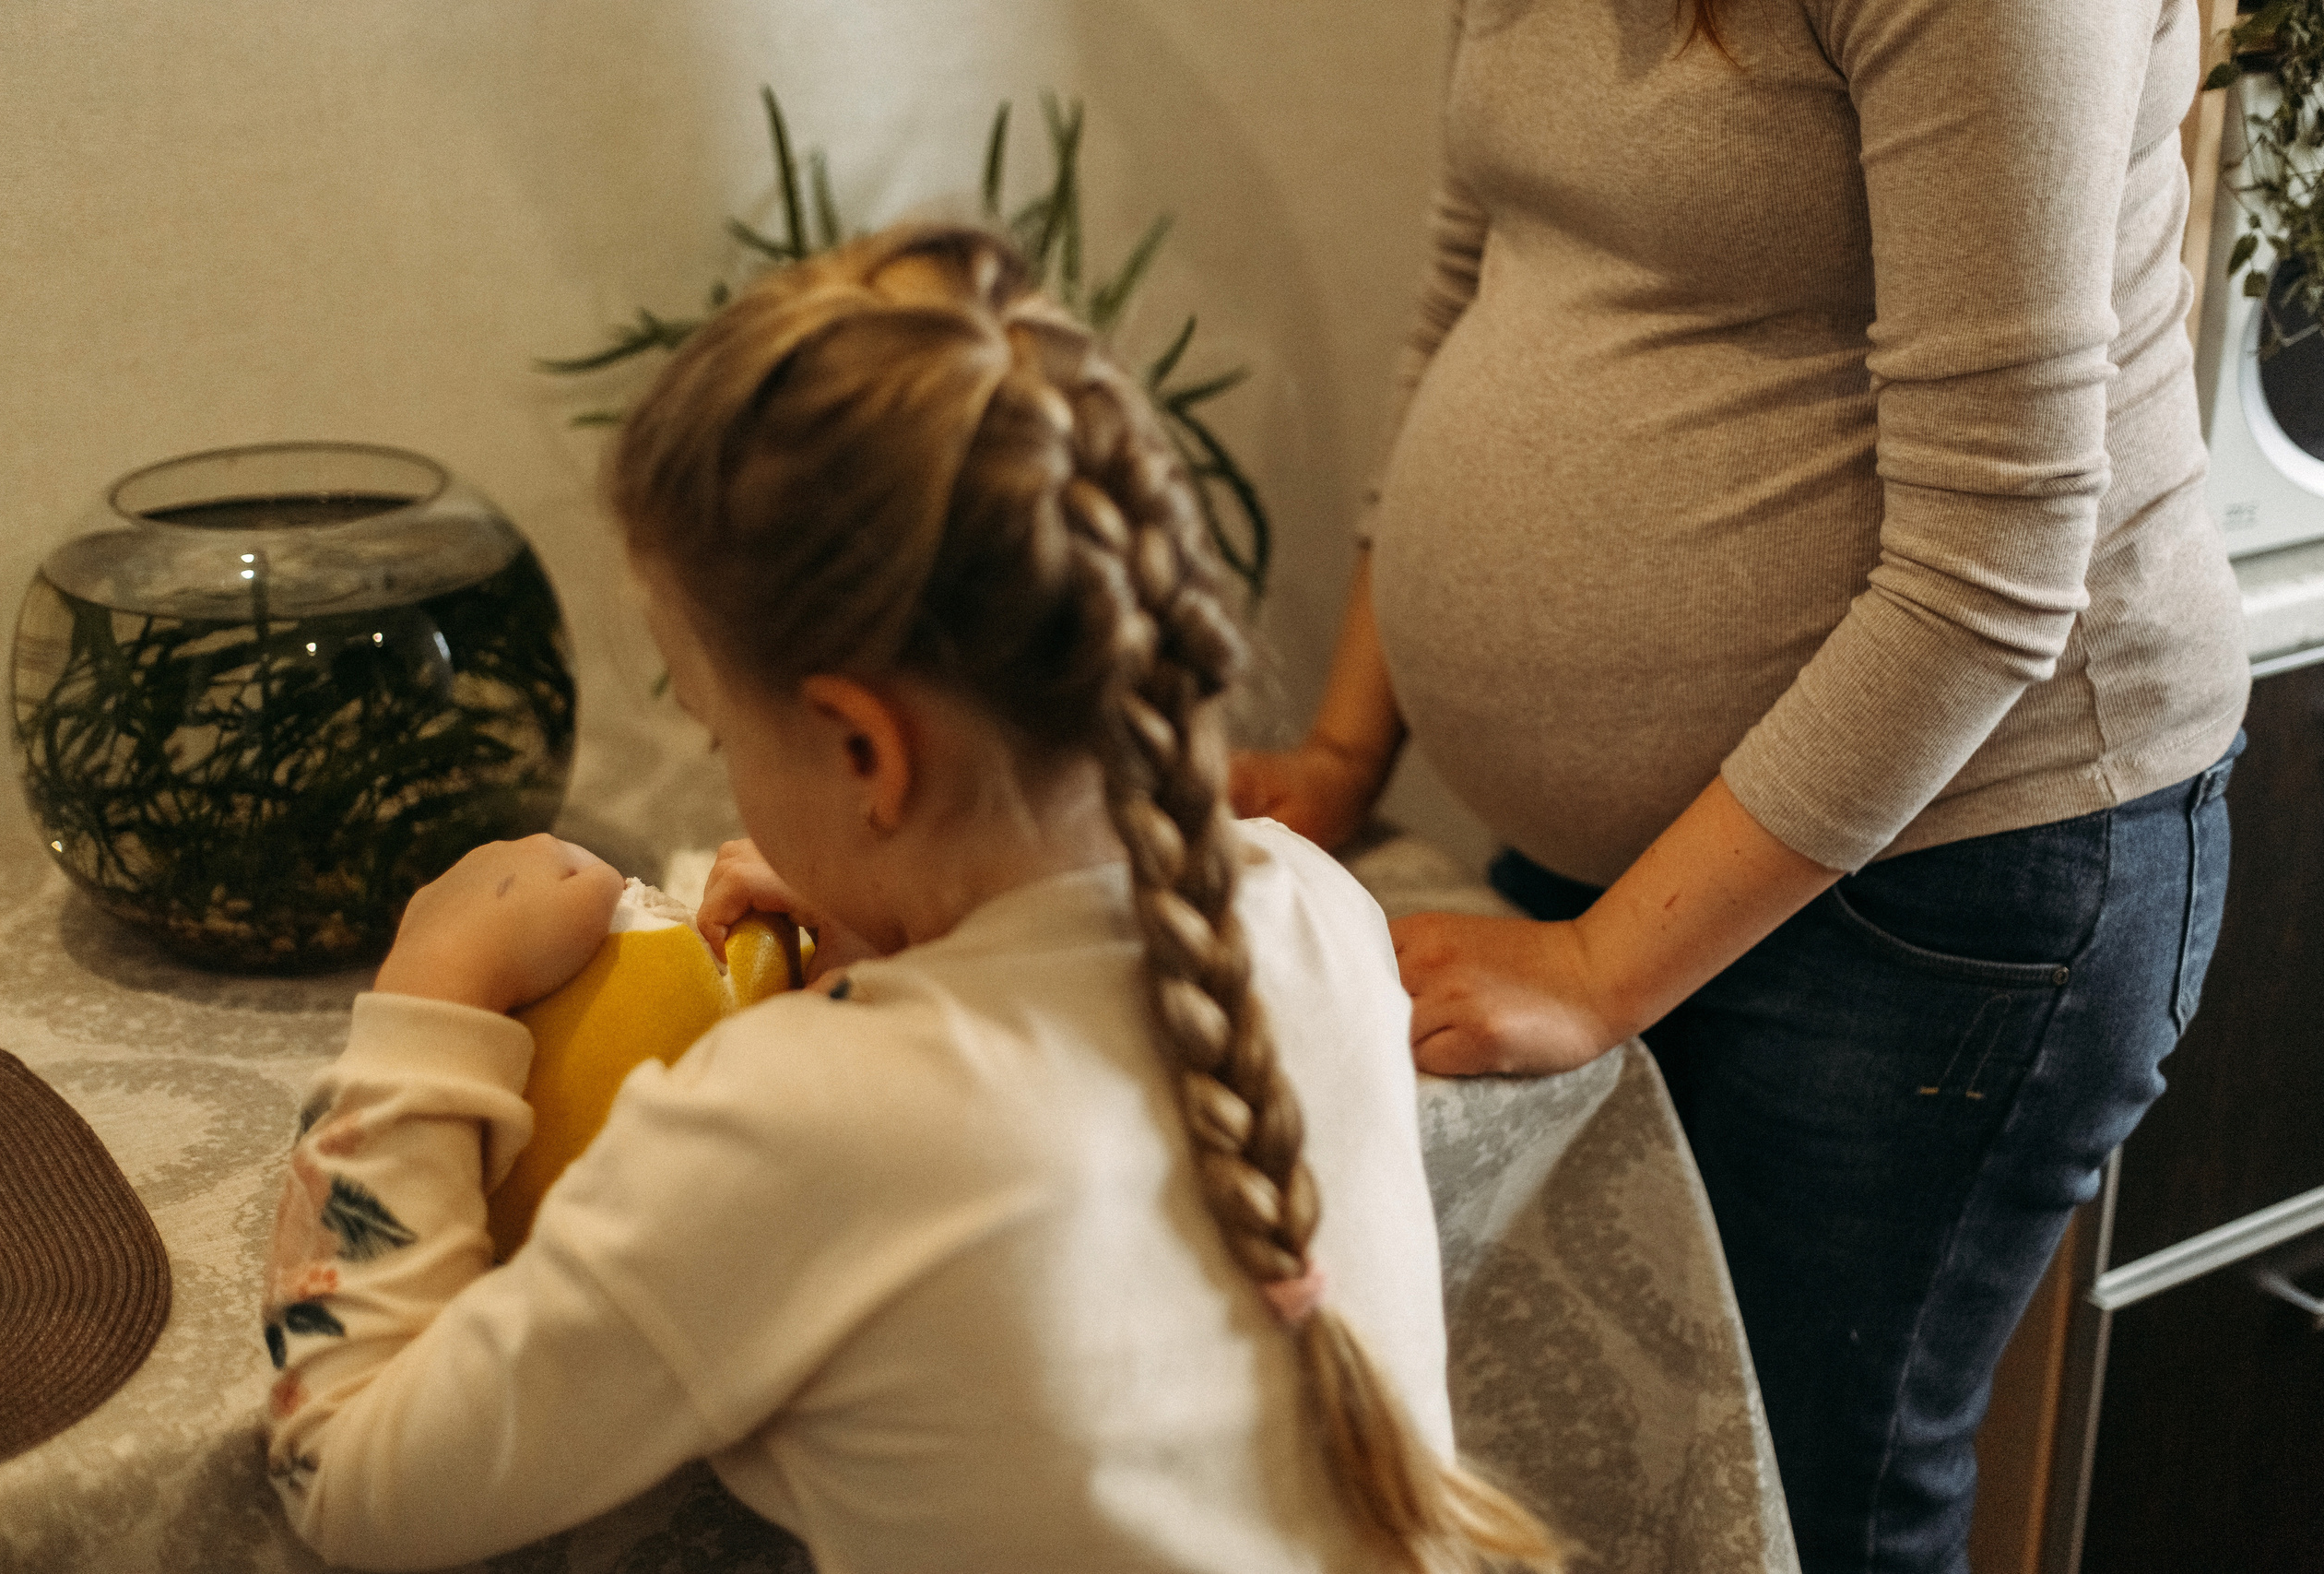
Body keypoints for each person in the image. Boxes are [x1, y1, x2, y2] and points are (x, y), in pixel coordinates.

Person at [257, 223, 1557, 1574]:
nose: (727, 780)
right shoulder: (1316, 910)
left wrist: (428, 994)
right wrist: (897, 917)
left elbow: (356, 1486)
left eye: (720, 737)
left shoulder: (795, 1118)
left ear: (868, 750)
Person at [1233, 1, 2248, 1570]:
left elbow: (1993, 568)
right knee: (1583, 1468)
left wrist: (1592, 971)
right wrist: (1348, 749)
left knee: (1807, 1510)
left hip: (1948, 873)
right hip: (1632, 862)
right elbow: (1476, 282)